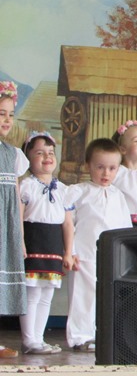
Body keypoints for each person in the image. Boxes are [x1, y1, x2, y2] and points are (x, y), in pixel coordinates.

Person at [64, 138, 132, 351]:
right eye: (100, 167)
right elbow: (67, 223)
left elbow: (125, 228)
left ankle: (106, 335)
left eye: (112, 168)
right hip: (84, 254)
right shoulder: (78, 191)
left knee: (109, 296)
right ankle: (80, 336)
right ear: (88, 165)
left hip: (110, 255)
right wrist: (71, 251)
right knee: (83, 296)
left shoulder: (118, 195)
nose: (106, 173)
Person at [19, 132, 74, 355]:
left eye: (51, 152)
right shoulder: (25, 186)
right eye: (40, 153)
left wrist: (68, 252)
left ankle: (39, 339)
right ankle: (29, 340)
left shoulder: (63, 190)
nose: (47, 157)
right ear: (28, 158)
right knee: (32, 293)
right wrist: (20, 243)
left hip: (53, 246)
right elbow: (18, 217)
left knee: (46, 295)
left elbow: (68, 224)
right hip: (34, 242)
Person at [0, 81, 29, 359]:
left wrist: (19, 236)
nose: (7, 119)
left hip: (5, 227)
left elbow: (16, 198)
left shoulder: (14, 155)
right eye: (1, 113)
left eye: (10, 114)